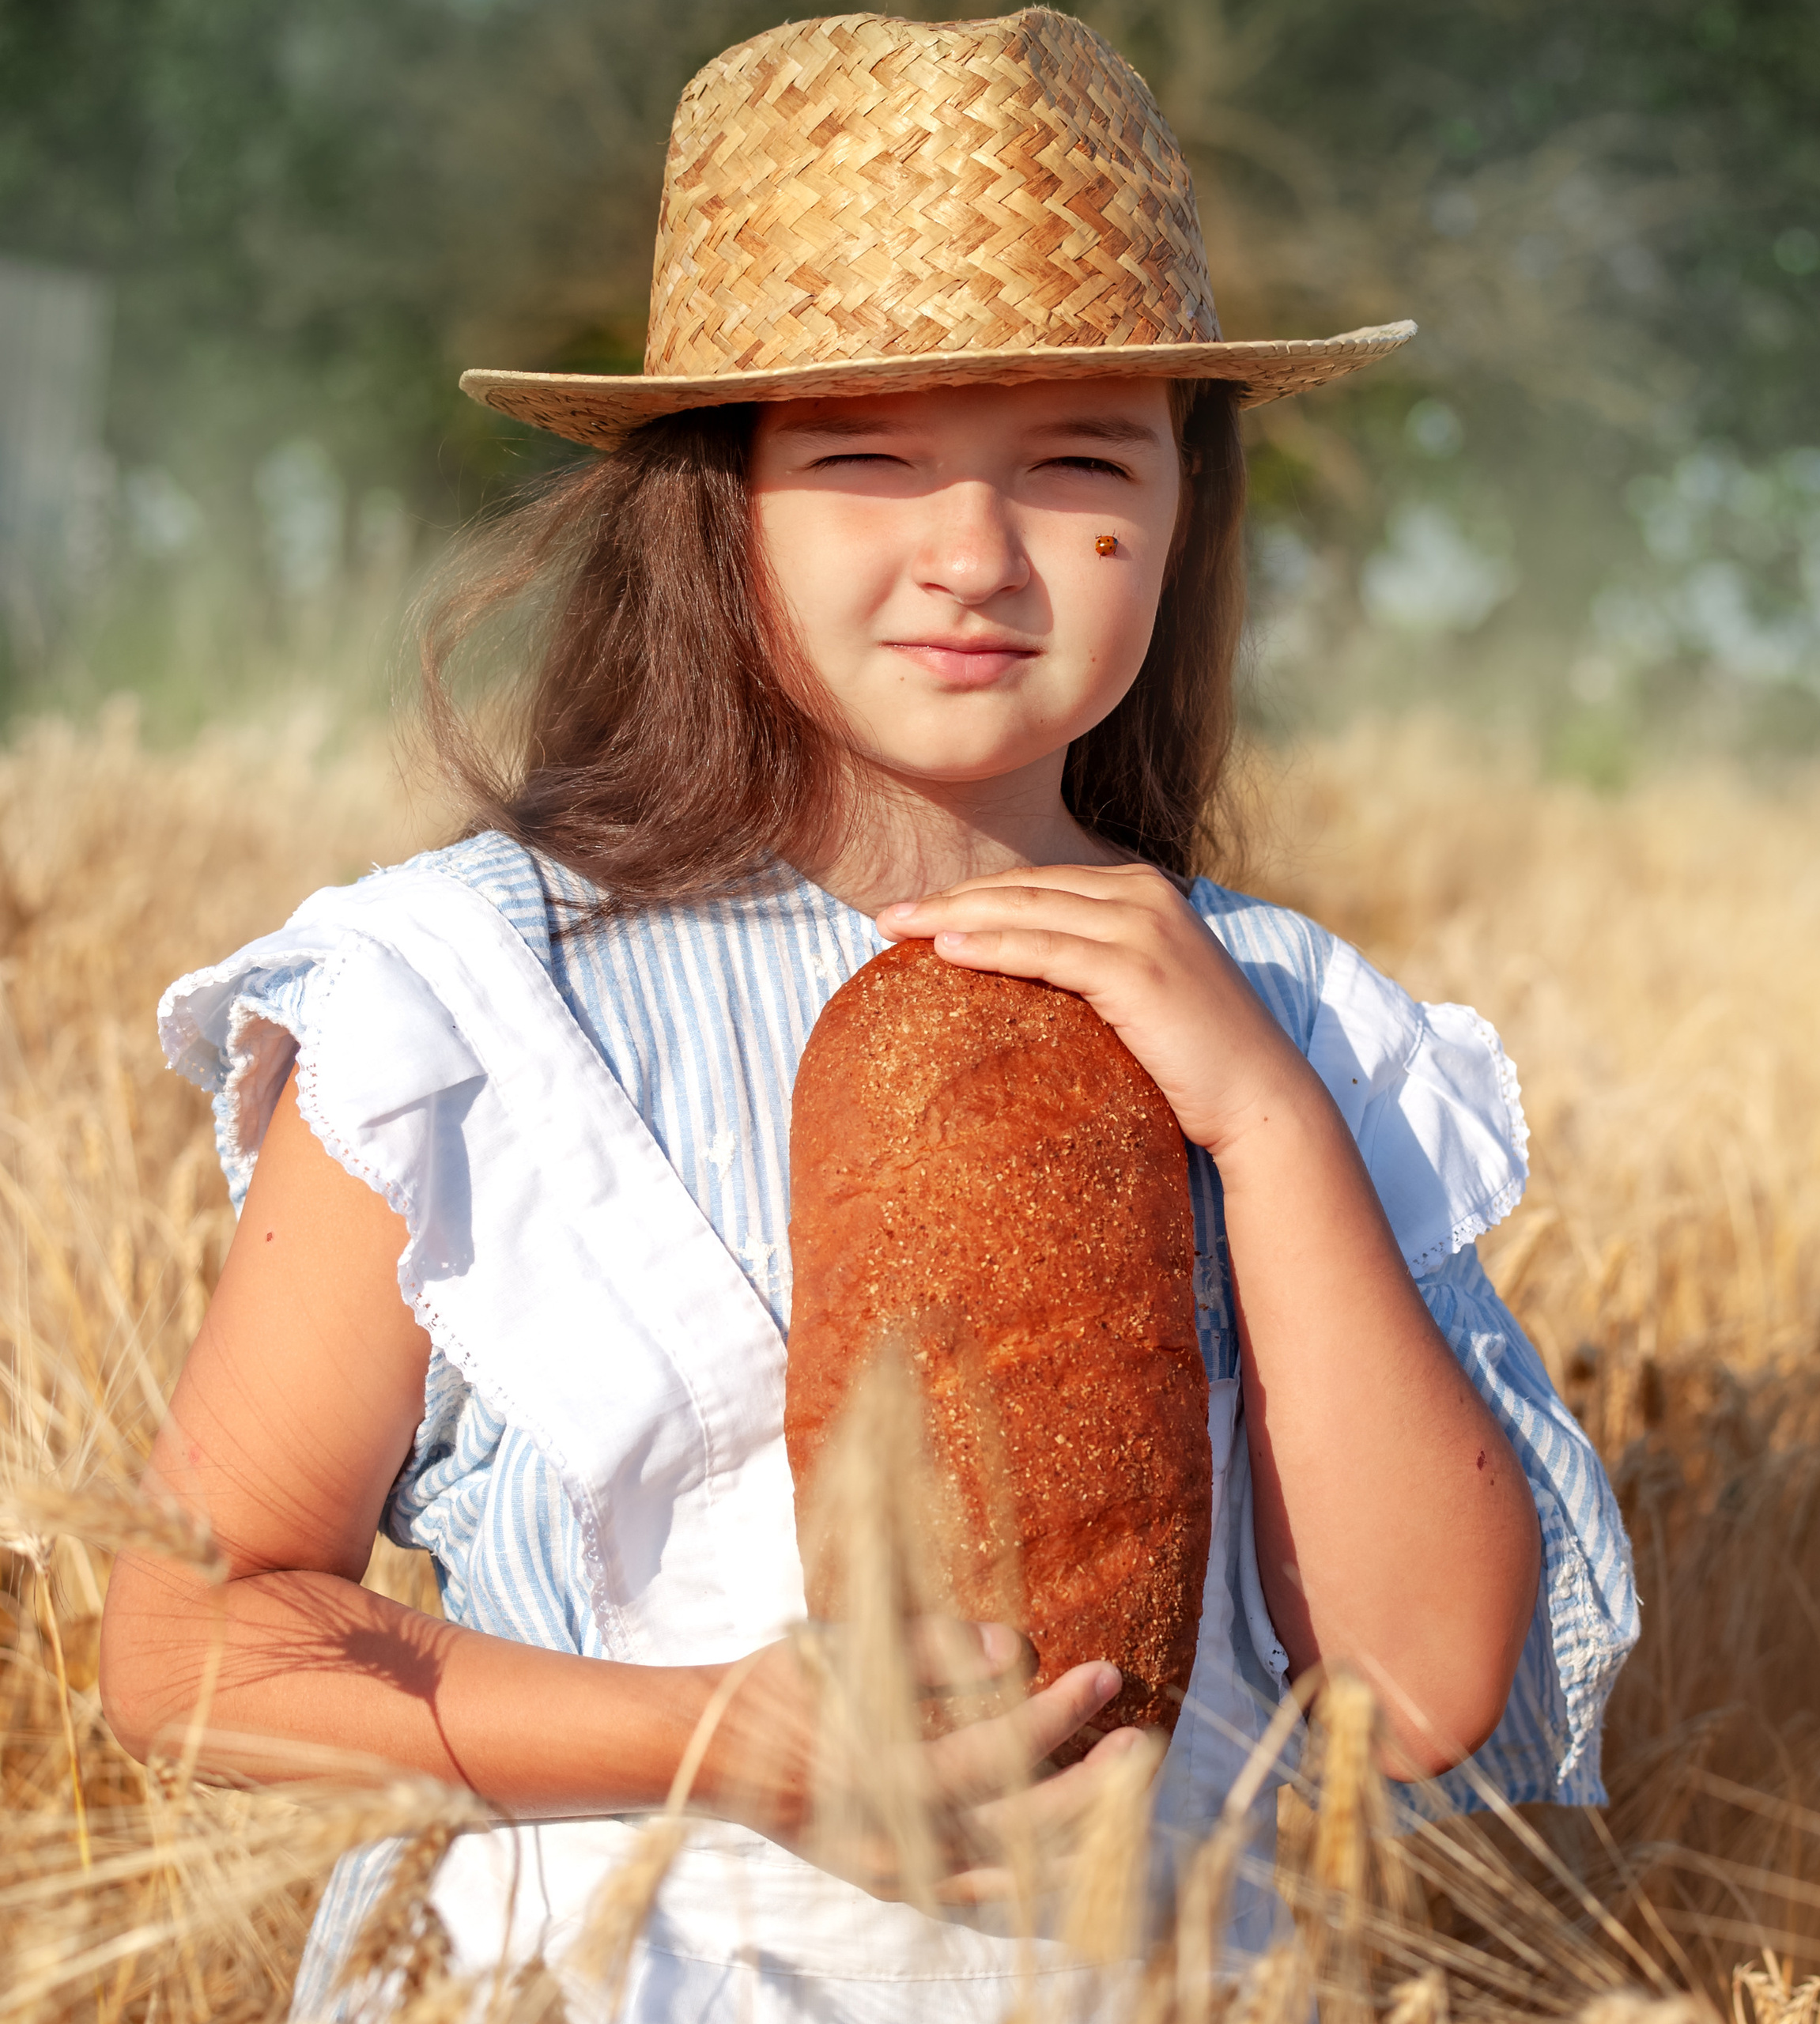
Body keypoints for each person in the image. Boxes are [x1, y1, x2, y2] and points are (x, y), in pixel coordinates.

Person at [100, 9, 1637, 2018]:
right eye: (864, 462)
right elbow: (184, 1641)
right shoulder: (475, 1002)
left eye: (1076, 462)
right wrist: (716, 1738)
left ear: (1182, 504)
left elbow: (1420, 1686)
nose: (972, 556)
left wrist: (1261, 1126)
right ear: (717, 503)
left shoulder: (1289, 1023)